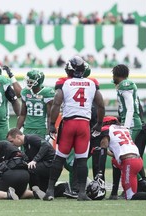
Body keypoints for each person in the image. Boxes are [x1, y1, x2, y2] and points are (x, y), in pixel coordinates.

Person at [44, 56, 105, 201]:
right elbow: (101, 105)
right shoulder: (92, 83)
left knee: (59, 158)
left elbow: (56, 104)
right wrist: (100, 123)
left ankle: (50, 191)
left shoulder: (64, 83)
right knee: (82, 160)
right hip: (84, 124)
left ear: (70, 69)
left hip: (69, 124)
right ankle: (82, 193)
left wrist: (52, 124)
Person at [111, 64, 146, 198]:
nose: (112, 77)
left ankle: (133, 186)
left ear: (117, 74)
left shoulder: (125, 85)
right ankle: (143, 182)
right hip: (131, 123)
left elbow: (131, 108)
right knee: (132, 156)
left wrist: (125, 127)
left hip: (131, 124)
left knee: (125, 156)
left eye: (113, 74)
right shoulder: (126, 85)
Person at [6, 128, 70, 197]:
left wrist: (35, 160)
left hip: (51, 164)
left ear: (17, 137)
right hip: (44, 165)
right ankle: (64, 188)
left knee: (29, 168)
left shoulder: (31, 138)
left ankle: (33, 189)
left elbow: (45, 145)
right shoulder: (26, 145)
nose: (12, 144)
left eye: (11, 141)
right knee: (44, 192)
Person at [96, 116, 146, 200]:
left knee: (130, 196)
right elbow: (118, 154)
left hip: (129, 163)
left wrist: (100, 173)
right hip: (137, 160)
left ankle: (115, 193)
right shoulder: (124, 129)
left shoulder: (106, 129)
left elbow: (103, 152)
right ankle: (114, 193)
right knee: (115, 161)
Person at [16, 69, 54, 138]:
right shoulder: (25, 92)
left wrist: (49, 131)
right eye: (28, 81)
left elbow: (49, 116)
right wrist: (16, 130)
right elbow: (22, 114)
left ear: (38, 82)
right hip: (27, 128)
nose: (28, 83)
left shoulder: (46, 93)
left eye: (30, 81)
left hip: (41, 128)